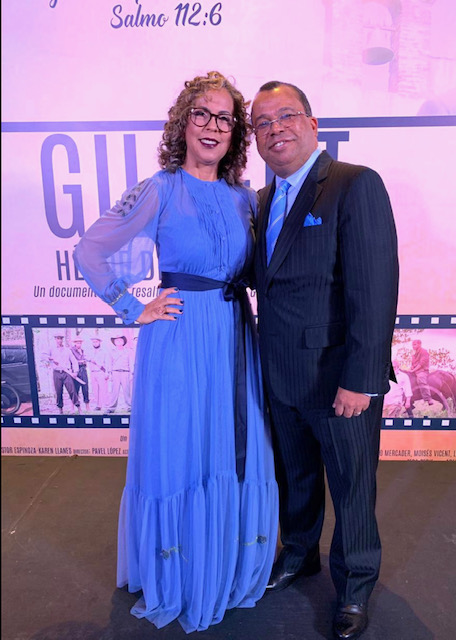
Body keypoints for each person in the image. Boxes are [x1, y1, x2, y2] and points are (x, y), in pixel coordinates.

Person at [73, 71, 278, 633]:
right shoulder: (159, 189)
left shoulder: (245, 199)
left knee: (232, 449)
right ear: (183, 123)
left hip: (234, 338)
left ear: (235, 132)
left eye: (224, 118)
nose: (212, 126)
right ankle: (181, 571)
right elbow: (92, 249)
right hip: (179, 338)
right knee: (180, 452)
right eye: (202, 114)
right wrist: (132, 306)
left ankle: (229, 560)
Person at [250, 81, 399, 640]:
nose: (275, 129)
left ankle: (355, 587)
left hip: (340, 380)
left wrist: (362, 379)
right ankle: (299, 553)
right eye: (262, 123)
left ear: (312, 124)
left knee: (353, 490)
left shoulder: (354, 184)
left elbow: (374, 291)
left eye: (286, 115)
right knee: (296, 477)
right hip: (280, 374)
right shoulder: (262, 201)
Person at [42, 333, 82, 415]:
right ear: (55, 339)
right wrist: (50, 358)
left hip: (67, 373)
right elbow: (43, 356)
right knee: (58, 392)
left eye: (60, 338)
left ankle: (79, 408)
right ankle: (60, 410)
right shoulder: (51, 349)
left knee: (72, 391)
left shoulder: (67, 350)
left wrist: (75, 372)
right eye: (58, 338)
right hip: (57, 373)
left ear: (62, 340)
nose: (59, 340)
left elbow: (74, 361)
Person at [106, 335, 133, 414]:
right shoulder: (111, 351)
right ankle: (111, 408)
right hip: (115, 373)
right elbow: (109, 363)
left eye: (120, 340)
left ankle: (129, 407)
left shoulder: (128, 351)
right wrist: (109, 373)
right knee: (114, 391)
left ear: (123, 342)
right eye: (116, 340)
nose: (118, 342)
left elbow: (131, 363)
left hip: (125, 372)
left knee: (127, 391)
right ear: (114, 342)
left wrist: (132, 373)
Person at [87, 334, 109, 412]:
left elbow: (107, 362)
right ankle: (98, 405)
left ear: (99, 342)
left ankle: (106, 405)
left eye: (96, 341)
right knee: (95, 390)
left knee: (103, 389)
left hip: (101, 372)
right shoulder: (90, 351)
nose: (95, 343)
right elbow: (86, 358)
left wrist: (107, 372)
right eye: (93, 342)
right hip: (93, 372)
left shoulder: (104, 351)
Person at [410, 339, 433, 405]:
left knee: (421, 380)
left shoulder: (424, 352)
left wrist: (413, 370)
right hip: (415, 370)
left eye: (415, 344)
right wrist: (411, 367)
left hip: (422, 371)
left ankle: (428, 398)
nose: (413, 346)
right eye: (412, 345)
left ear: (419, 344)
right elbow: (413, 363)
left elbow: (421, 364)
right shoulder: (414, 353)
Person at [70, 337, 90, 412]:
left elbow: (86, 359)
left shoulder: (83, 350)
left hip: (83, 370)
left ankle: (87, 406)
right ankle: (72, 407)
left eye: (80, 343)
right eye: (77, 342)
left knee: (85, 388)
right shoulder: (71, 350)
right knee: (75, 389)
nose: (79, 344)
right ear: (74, 343)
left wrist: (84, 362)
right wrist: (80, 362)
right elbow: (71, 361)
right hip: (75, 371)